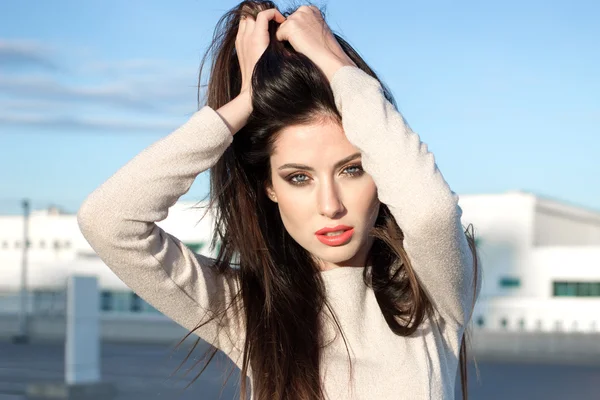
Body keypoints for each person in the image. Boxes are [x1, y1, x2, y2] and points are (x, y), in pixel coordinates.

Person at [77, 1, 481, 399]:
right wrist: (241, 105)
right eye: (299, 177)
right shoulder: (247, 311)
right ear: (270, 186)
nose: (330, 205)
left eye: (352, 169)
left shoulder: (429, 288)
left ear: (381, 170)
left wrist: (338, 67)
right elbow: (108, 221)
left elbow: (430, 213)